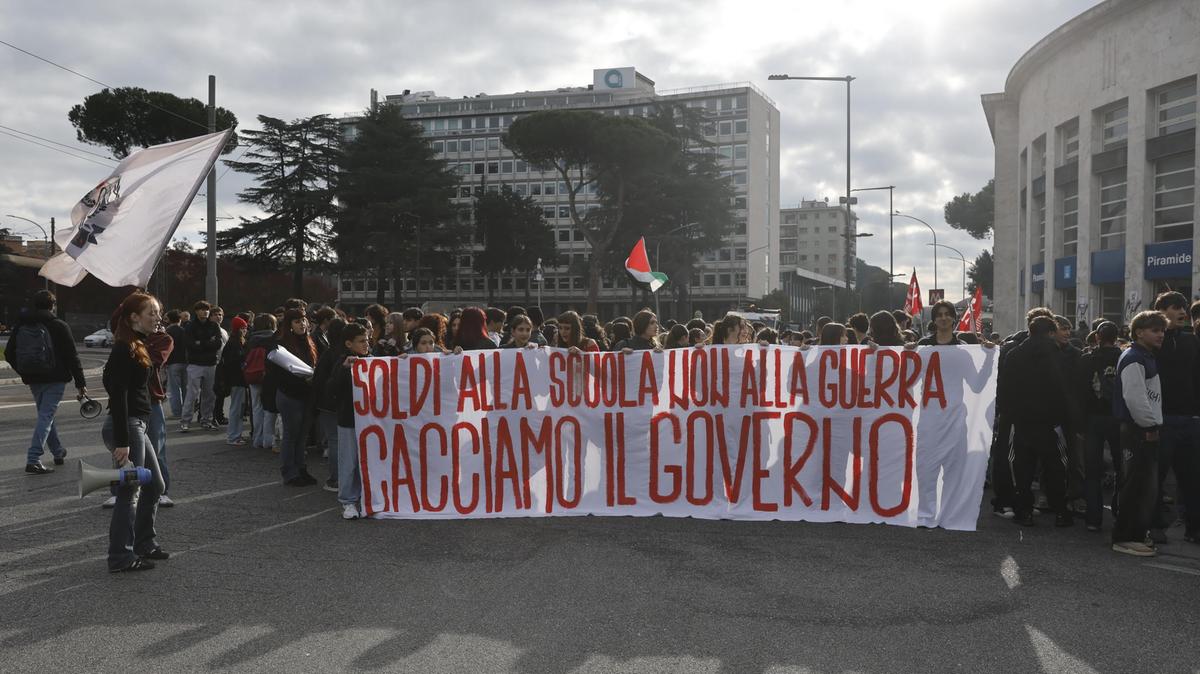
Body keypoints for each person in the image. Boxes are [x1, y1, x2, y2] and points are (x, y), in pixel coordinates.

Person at [102, 292, 168, 572]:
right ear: (133, 317)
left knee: (155, 486)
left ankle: (144, 543)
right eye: (151, 312)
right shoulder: (123, 348)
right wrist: (123, 441)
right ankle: (121, 557)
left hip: (137, 424)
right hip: (128, 426)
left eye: (158, 312)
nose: (157, 317)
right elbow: (117, 394)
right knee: (131, 493)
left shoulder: (137, 344)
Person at [5, 290, 87, 474]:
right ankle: (33, 459)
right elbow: (72, 357)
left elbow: (9, 353)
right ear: (52, 306)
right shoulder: (59, 325)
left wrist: (24, 371)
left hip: (33, 378)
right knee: (46, 416)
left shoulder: (22, 324)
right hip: (55, 378)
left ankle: (58, 452)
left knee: (45, 414)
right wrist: (80, 383)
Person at [1002, 315, 1072, 527]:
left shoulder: (1014, 355)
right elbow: (1063, 389)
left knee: (1022, 470)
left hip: (1022, 421)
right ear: (1051, 333)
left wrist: (1011, 414)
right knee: (1057, 469)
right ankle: (1061, 512)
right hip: (1051, 423)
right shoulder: (1058, 355)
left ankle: (1024, 512)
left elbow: (1005, 389)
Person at [1112, 310, 1167, 556]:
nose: (1161, 334)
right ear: (1139, 332)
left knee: (1144, 487)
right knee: (1135, 486)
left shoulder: (1144, 355)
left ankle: (1135, 534)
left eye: (1162, 330)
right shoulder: (1135, 357)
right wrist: (1150, 426)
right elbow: (1134, 398)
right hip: (1138, 431)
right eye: (1155, 330)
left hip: (1142, 429)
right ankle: (1125, 537)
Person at [1148, 291, 1200, 545]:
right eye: (1174, 307)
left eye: (1183, 307)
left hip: (1189, 419)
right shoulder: (1152, 343)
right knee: (1156, 477)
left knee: (1192, 478)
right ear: (1161, 312)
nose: (1182, 311)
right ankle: (1155, 526)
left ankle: (1194, 528)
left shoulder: (1191, 341)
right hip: (1161, 420)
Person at [1078, 321, 1123, 532]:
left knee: (1092, 470)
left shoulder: (1087, 359)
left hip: (1093, 418)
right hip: (1118, 417)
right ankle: (1120, 511)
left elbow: (1078, 391)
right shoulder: (1124, 357)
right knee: (1121, 467)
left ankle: (1093, 518)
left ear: (1097, 337)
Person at [270, 308, 318, 486]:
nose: (302, 324)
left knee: (302, 435)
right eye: (297, 321)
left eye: (304, 321)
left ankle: (301, 468)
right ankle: (290, 472)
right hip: (290, 395)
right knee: (291, 435)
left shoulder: (309, 341)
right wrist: (303, 381)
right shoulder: (281, 343)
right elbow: (278, 373)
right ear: (289, 325)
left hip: (307, 395)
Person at [326, 322, 370, 519]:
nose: (366, 344)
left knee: (368, 462)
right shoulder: (342, 362)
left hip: (371, 421)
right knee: (349, 462)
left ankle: (367, 499)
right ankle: (348, 501)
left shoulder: (373, 360)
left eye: (367, 340)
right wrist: (344, 370)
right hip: (349, 420)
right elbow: (331, 390)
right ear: (348, 344)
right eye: (361, 341)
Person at [311, 318, 346, 493]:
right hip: (345, 403)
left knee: (334, 441)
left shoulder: (329, 352)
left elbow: (318, 380)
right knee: (344, 442)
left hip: (328, 403)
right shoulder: (347, 353)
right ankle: (344, 478)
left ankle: (335, 479)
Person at [180, 300, 222, 432]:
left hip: (210, 363)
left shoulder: (214, 326)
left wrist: (200, 343)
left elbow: (218, 344)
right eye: (202, 309)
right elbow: (189, 344)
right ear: (196, 311)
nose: (205, 312)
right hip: (195, 363)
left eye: (207, 309)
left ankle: (206, 420)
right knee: (192, 394)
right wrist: (207, 343)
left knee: (209, 394)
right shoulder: (190, 326)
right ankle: (185, 421)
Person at [245, 314, 278, 451]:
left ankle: (256, 438)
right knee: (270, 408)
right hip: (269, 376)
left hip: (253, 376)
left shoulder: (251, 339)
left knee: (256, 407)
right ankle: (268, 439)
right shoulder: (273, 338)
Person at [220, 316, 250, 446]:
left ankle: (235, 435)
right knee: (237, 409)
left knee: (238, 408)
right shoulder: (235, 344)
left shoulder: (233, 342)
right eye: (243, 328)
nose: (245, 331)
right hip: (237, 380)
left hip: (236, 380)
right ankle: (233, 436)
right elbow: (235, 362)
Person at [164, 309, 188, 418]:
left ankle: (177, 412)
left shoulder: (167, 332)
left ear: (169, 319)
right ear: (180, 319)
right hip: (185, 361)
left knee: (175, 388)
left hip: (172, 362)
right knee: (185, 388)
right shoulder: (184, 331)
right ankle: (187, 410)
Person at [210, 306, 231, 426]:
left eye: (221, 315)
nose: (219, 317)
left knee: (220, 391)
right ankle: (211, 415)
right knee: (211, 392)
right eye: (216, 314)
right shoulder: (209, 329)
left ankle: (219, 415)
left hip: (222, 364)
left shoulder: (223, 331)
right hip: (212, 362)